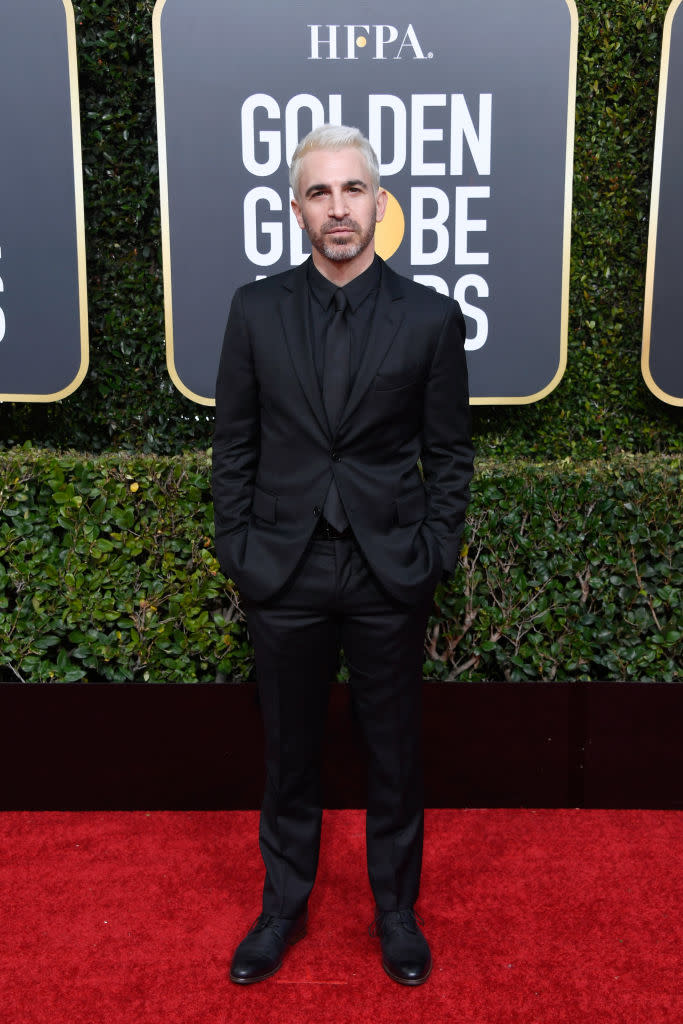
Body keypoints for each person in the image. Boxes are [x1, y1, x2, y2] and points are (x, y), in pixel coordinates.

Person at [212, 124, 474, 986]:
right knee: (289, 754)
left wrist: (431, 551)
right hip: (281, 570)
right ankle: (280, 911)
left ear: (379, 203)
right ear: (296, 209)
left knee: (394, 754)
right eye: (319, 193)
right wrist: (239, 549)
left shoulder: (431, 318)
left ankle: (395, 913)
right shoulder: (254, 310)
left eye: (352, 190)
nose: (337, 208)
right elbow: (234, 448)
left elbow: (450, 455)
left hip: (386, 570)